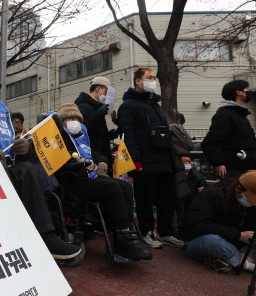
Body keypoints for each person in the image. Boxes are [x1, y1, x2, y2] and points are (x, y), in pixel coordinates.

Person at [0, 66, 82, 263]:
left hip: (5, 165)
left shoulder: (2, 109)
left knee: (28, 170)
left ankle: (46, 237)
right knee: (7, 173)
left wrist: (26, 147)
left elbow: (13, 145)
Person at [54, 103, 152, 261]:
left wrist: (102, 163)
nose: (74, 121)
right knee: (112, 187)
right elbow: (64, 157)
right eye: (69, 118)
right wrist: (82, 162)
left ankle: (125, 233)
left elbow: (94, 153)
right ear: (62, 121)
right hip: (73, 180)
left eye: (77, 119)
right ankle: (122, 234)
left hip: (90, 177)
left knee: (125, 186)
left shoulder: (81, 137)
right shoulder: (59, 138)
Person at [117, 67, 183, 249]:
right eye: (149, 77)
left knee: (168, 198)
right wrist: (135, 159)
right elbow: (127, 135)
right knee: (145, 199)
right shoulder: (128, 106)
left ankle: (165, 232)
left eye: (154, 77)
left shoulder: (156, 105)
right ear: (138, 81)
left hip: (164, 160)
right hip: (145, 161)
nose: (153, 80)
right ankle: (146, 232)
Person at [182, 170, 256, 278]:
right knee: (212, 241)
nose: (253, 202)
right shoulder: (211, 194)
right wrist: (239, 236)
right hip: (201, 242)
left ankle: (232, 261)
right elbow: (198, 225)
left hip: (235, 247)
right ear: (238, 188)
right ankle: (254, 268)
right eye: (251, 197)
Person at [201, 80, 256, 179]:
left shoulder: (239, 114)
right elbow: (210, 142)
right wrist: (218, 163)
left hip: (247, 168)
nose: (249, 92)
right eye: (246, 90)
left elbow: (242, 142)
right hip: (235, 170)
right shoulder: (226, 115)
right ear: (238, 92)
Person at [74, 77, 118, 162]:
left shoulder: (97, 107)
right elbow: (84, 130)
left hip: (102, 155)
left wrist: (113, 133)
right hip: (94, 157)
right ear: (98, 89)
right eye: (106, 91)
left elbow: (98, 134)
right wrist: (99, 113)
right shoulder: (83, 106)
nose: (106, 95)